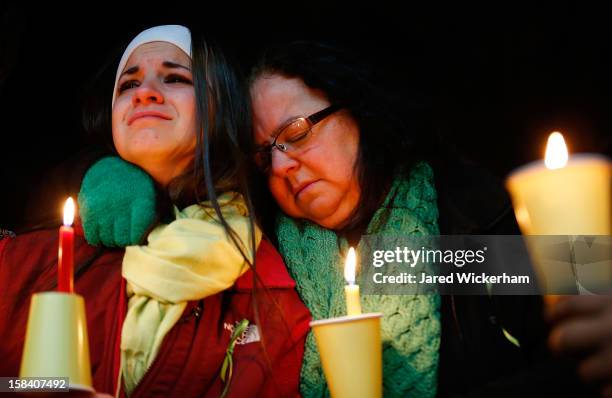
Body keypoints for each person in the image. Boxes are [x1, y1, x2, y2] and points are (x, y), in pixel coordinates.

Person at [246, 41, 594, 397]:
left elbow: (580, 359)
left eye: (296, 133)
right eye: (264, 156)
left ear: (356, 111)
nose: (280, 166)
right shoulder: (265, 269)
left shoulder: (470, 217)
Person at [0, 25, 310, 397]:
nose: (145, 93)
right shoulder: (23, 259)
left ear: (221, 107)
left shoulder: (269, 300)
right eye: (128, 85)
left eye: (175, 77)